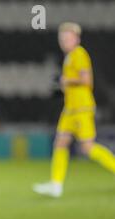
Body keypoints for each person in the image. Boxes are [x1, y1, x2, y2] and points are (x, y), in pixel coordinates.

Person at [33, 22, 115, 198]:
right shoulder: (70, 56)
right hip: (70, 108)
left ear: (76, 39)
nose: (64, 41)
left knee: (88, 147)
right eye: (62, 38)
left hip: (81, 108)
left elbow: (87, 81)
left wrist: (66, 81)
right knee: (60, 143)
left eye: (67, 38)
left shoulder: (79, 54)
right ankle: (56, 185)